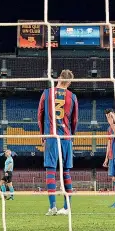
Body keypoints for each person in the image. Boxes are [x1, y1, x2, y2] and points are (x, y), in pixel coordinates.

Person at [38, 69, 78, 216]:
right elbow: (75, 120)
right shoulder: (72, 97)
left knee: (50, 170)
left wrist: (43, 135)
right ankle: (67, 208)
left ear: (59, 78)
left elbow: (40, 115)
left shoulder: (47, 93)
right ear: (69, 82)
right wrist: (71, 136)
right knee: (66, 171)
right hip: (66, 138)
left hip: (51, 137)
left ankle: (52, 207)